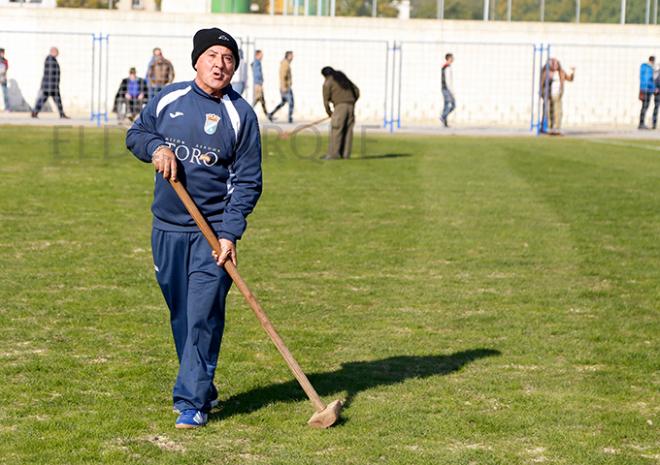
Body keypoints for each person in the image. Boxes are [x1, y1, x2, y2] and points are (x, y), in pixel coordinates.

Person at [126, 27, 263, 429]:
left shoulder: (241, 115)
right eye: (213, 56)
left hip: (211, 234)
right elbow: (136, 134)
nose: (220, 64)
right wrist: (156, 148)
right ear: (197, 60)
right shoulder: (169, 97)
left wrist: (229, 232)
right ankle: (202, 383)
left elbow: (248, 181)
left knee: (203, 315)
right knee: (182, 317)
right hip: (166, 228)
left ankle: (191, 401)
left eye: (228, 58)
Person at [321, 66, 359, 159]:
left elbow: (325, 100)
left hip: (339, 107)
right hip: (351, 106)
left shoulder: (328, 82)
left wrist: (329, 112)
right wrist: (352, 101)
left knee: (336, 129)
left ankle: (334, 154)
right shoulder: (342, 77)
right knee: (348, 131)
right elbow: (357, 91)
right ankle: (345, 154)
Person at [31, 47, 69, 119]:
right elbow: (51, 73)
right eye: (57, 52)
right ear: (53, 52)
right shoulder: (50, 59)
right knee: (43, 100)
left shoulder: (52, 59)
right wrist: (53, 85)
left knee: (55, 100)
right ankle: (34, 112)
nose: (58, 54)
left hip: (52, 85)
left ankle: (35, 112)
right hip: (50, 85)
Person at [540, 58, 575, 135]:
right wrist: (542, 93)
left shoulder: (561, 72)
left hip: (557, 95)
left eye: (556, 64)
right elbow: (542, 83)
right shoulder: (546, 72)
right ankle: (548, 127)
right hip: (548, 94)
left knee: (558, 112)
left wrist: (573, 72)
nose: (555, 65)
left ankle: (557, 128)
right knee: (548, 111)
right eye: (553, 63)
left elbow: (570, 79)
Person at [268, 51, 294, 123]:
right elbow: (282, 76)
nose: (293, 57)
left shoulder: (286, 63)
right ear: (288, 56)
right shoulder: (285, 64)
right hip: (285, 87)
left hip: (286, 86)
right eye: (291, 56)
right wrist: (283, 87)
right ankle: (290, 118)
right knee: (291, 102)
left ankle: (271, 114)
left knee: (283, 103)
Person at [251, 49, 270, 120]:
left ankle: (268, 115)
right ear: (257, 55)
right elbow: (257, 74)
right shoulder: (257, 63)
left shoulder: (257, 62)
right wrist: (259, 83)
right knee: (257, 99)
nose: (262, 57)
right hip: (258, 84)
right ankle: (248, 111)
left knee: (262, 100)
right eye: (261, 55)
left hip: (258, 84)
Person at [639, 56, 656, 130]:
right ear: (652, 61)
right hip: (646, 90)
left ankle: (641, 123)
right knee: (645, 107)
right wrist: (654, 89)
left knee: (644, 107)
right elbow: (648, 80)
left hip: (643, 89)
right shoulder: (648, 68)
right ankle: (641, 123)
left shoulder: (643, 67)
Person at [440, 53, 455, 127]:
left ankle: (444, 122)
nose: (453, 59)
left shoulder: (445, 67)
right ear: (448, 58)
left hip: (444, 88)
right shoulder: (447, 68)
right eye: (452, 58)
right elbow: (448, 81)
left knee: (446, 105)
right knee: (452, 104)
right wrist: (452, 92)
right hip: (447, 89)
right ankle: (443, 116)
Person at [652, 63, 660, 130]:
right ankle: (654, 124)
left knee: (656, 109)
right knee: (656, 109)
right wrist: (655, 89)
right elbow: (653, 82)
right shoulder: (656, 73)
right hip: (658, 94)